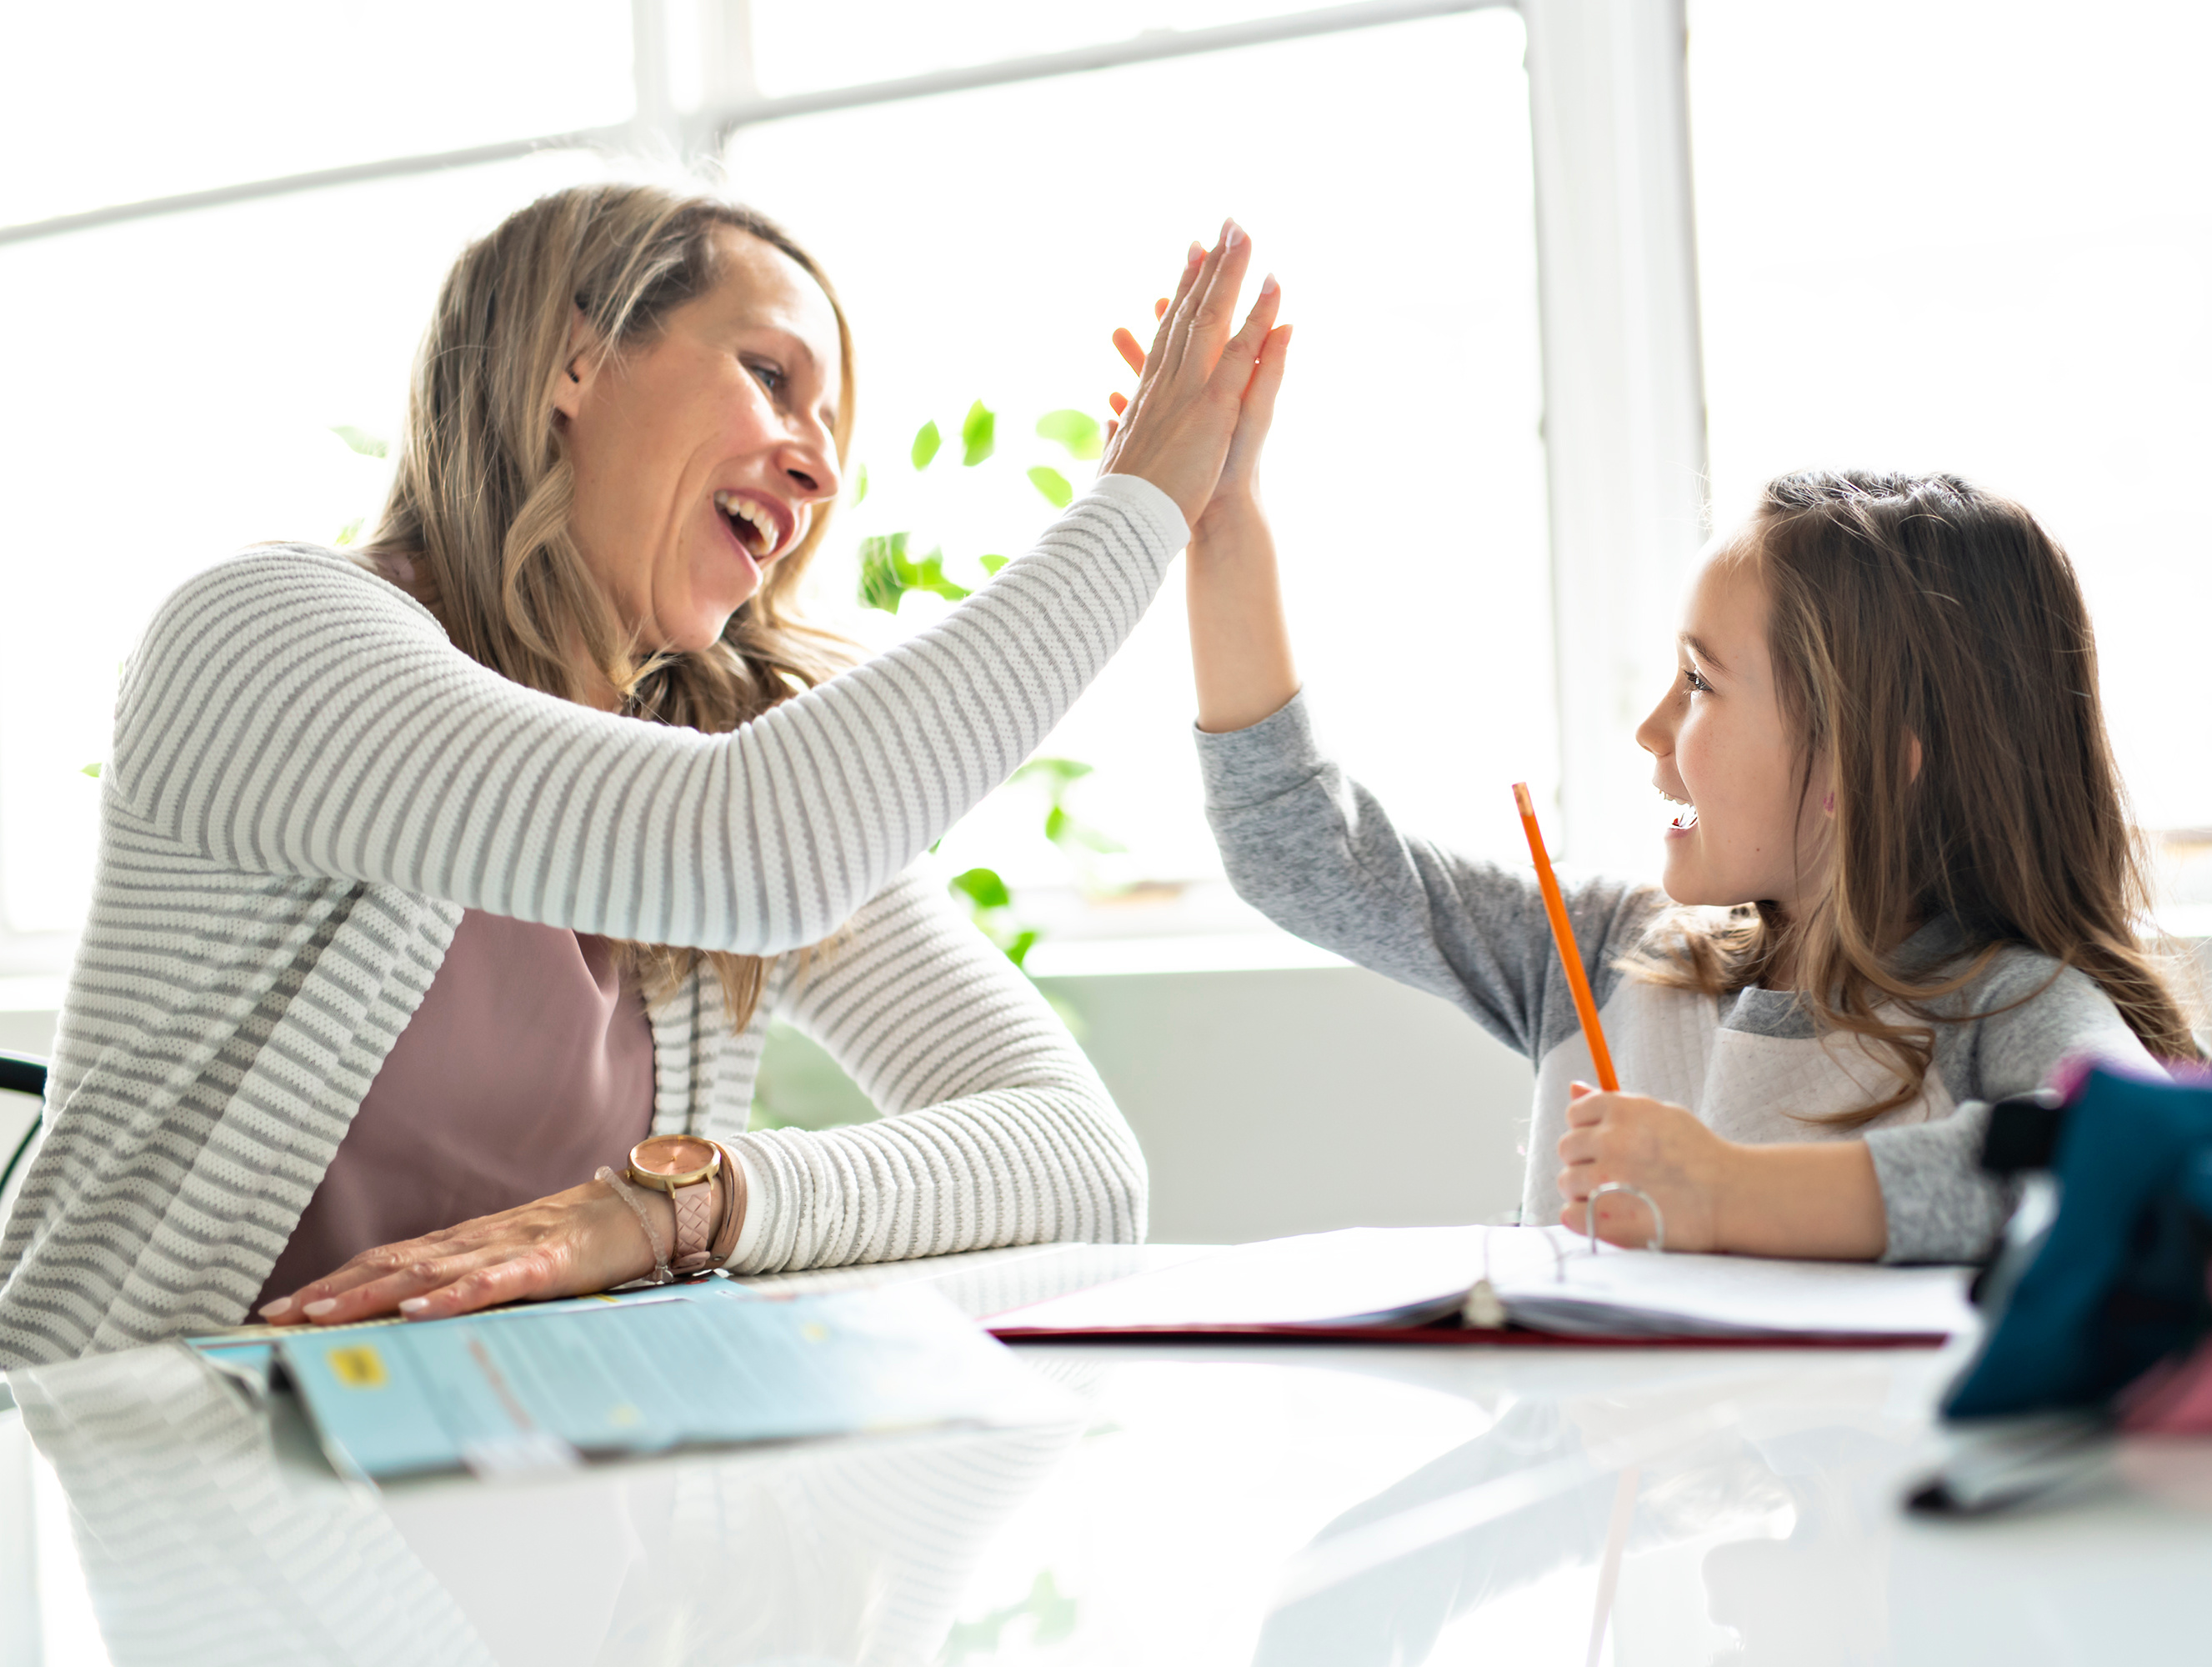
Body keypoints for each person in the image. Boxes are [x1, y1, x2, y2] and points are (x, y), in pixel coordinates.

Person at [0, 183, 1285, 1366]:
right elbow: (750, 849)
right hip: (140, 1480)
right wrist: (1137, 508)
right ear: (574, 360)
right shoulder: (265, 637)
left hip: (520, 1484)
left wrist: (686, 1202)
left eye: (830, 431)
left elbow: (1077, 1159)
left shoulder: (726, 747)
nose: (820, 466)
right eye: (770, 375)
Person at [1159, 298, 2194, 1258]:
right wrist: (1224, 523)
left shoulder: (2006, 1005)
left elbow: (2123, 1167)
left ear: (1868, 764)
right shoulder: (1609, 957)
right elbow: (1302, 853)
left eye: (1699, 681)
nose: (1652, 727)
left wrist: (1726, 1195)